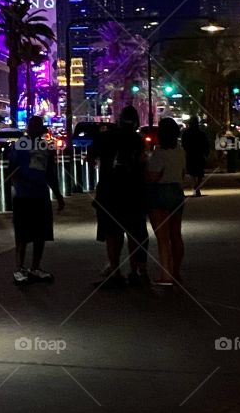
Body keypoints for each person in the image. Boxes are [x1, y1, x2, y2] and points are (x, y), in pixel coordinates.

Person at [90, 105, 149, 289]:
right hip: (133, 193)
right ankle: (134, 272)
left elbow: (90, 157)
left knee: (112, 235)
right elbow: (142, 163)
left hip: (109, 192)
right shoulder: (137, 140)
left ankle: (115, 272)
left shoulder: (106, 136)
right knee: (135, 234)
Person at [8, 115, 64, 285]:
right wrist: (20, 182)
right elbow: (12, 169)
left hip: (40, 195)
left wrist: (58, 195)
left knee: (41, 234)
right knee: (23, 234)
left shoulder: (46, 147)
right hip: (24, 196)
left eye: (38, 128)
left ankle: (35, 267)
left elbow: (50, 174)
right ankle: (19, 268)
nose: (36, 131)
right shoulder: (20, 146)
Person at [146, 117, 186, 287]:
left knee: (163, 238)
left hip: (161, 192)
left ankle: (165, 274)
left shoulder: (159, 153)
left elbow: (153, 176)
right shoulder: (180, 151)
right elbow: (183, 173)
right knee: (176, 234)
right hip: (177, 191)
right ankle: (176, 270)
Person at [181, 115, 210, 196]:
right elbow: (206, 144)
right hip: (199, 154)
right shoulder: (201, 133)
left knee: (192, 172)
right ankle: (197, 187)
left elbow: (183, 144)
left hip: (190, 154)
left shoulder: (186, 133)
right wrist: (206, 153)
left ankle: (196, 187)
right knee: (200, 172)